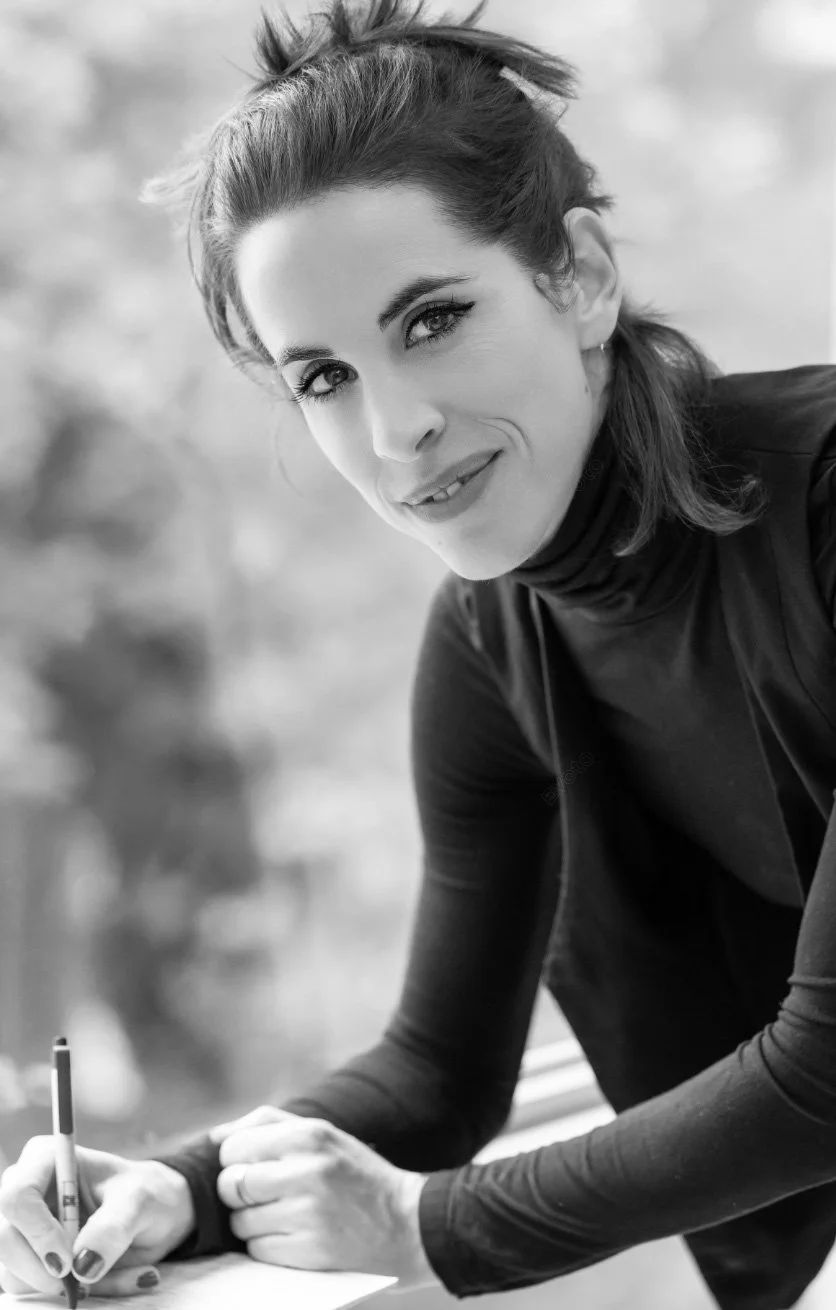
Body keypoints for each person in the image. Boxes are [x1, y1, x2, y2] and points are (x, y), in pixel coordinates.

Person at [2, 0, 836, 1305]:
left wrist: (426, 1227)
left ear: (582, 276)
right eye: (323, 377)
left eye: (433, 319)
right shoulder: (493, 636)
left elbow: (827, 1069)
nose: (398, 432)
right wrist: (180, 1187)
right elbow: (437, 1072)